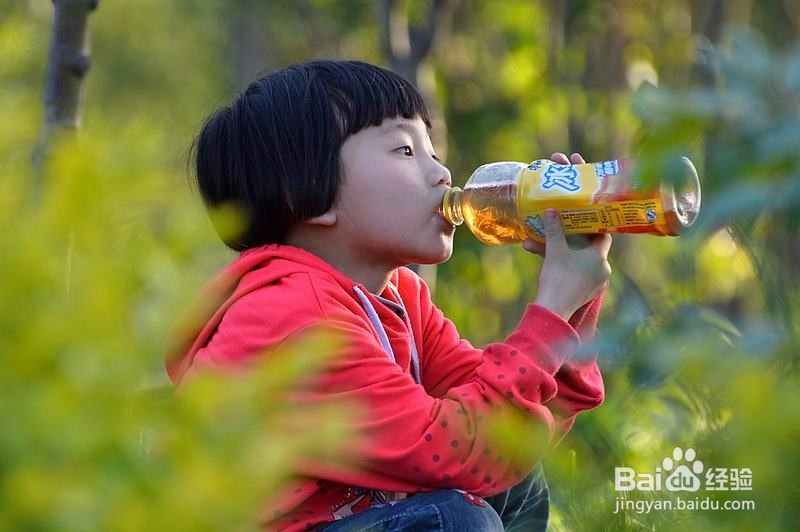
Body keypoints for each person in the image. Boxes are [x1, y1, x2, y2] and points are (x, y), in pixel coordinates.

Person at [165, 60, 612, 531]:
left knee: (515, 479)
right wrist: (550, 308)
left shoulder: (398, 297)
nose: (441, 173)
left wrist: (574, 303)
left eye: (431, 149)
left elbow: (504, 433)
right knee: (454, 522)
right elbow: (457, 450)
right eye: (404, 150)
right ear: (312, 198)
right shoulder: (296, 319)